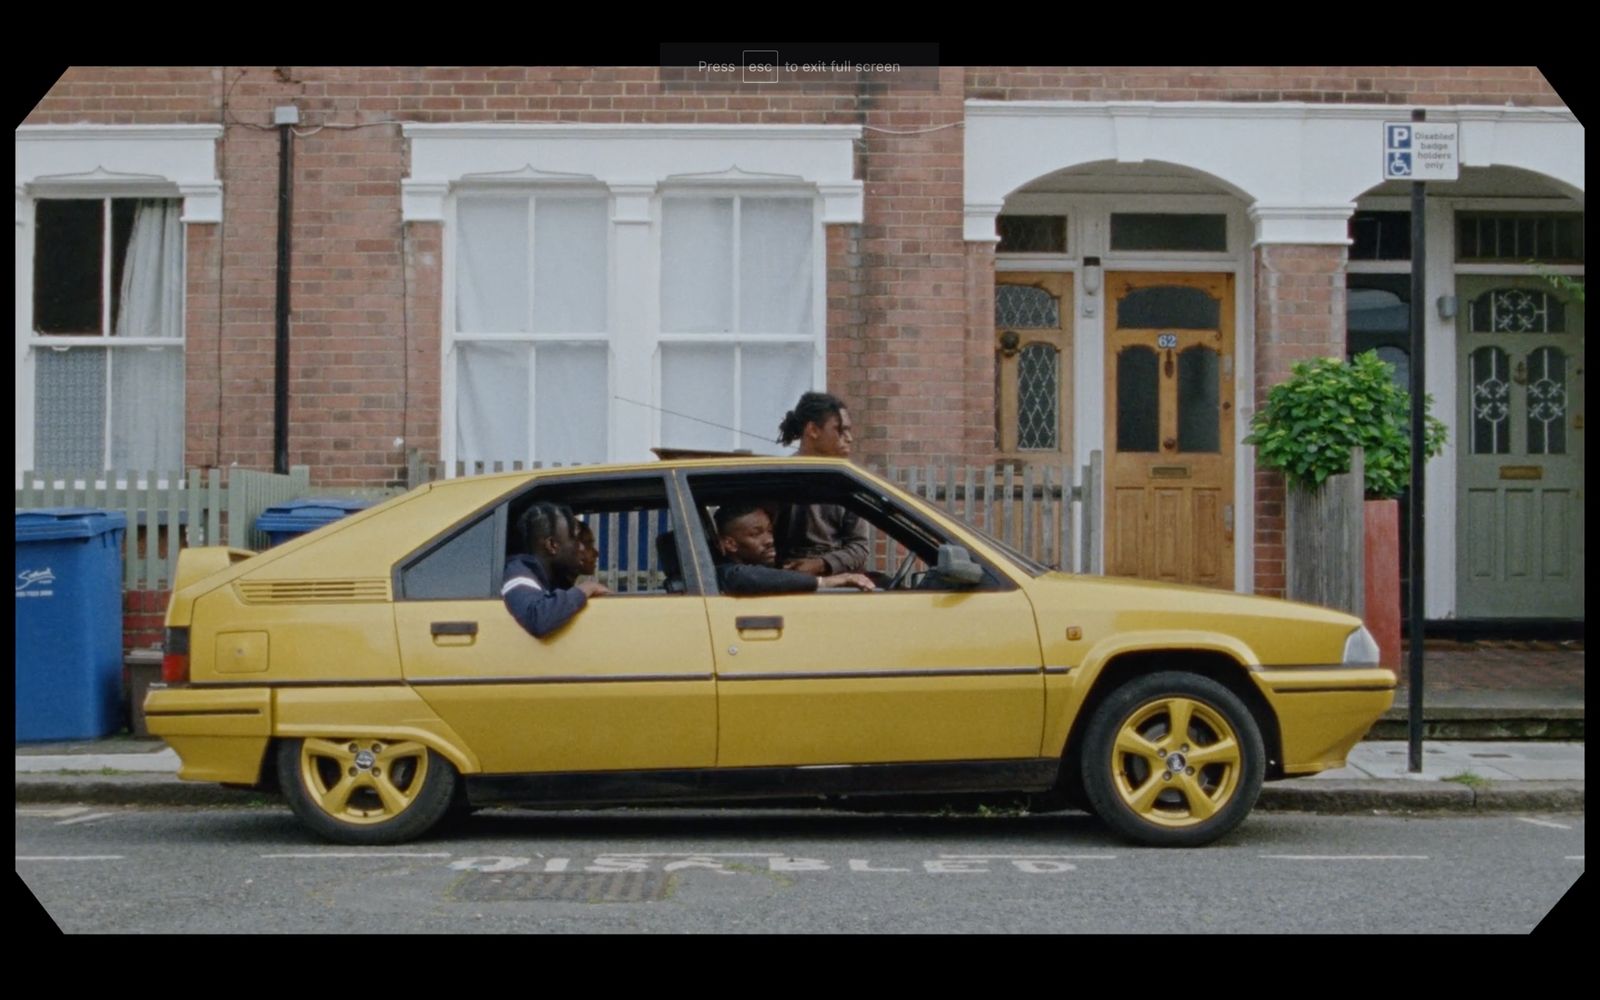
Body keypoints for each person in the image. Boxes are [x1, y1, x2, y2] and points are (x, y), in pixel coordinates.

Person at [774, 391, 871, 576]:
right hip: (783, 578)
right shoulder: (779, 477)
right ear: (813, 430)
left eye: (849, 430)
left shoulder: (847, 481)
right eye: (840, 430)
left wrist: (822, 564)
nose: (849, 438)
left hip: (837, 582)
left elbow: (860, 547)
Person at [714, 501, 875, 595]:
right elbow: (745, 577)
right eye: (756, 534)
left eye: (770, 531)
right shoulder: (726, 572)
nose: (770, 540)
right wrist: (827, 581)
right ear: (730, 544)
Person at [502, 502, 609, 638]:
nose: (582, 548)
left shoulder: (550, 577)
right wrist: (585, 589)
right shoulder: (518, 571)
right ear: (552, 545)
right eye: (575, 539)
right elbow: (537, 619)